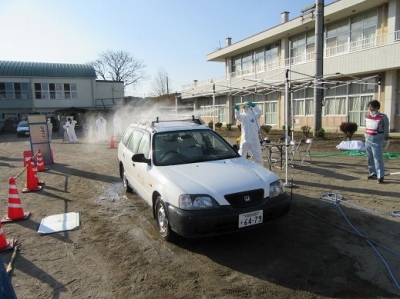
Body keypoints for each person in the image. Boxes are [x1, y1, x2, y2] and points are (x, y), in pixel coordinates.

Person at [364, 99, 389, 183]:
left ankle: (380, 176)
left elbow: (386, 129)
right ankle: (373, 174)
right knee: (369, 158)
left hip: (377, 139)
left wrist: (383, 138)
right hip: (368, 139)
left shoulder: (383, 117)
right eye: (369, 107)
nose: (371, 109)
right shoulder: (367, 116)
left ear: (377, 108)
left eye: (372, 107)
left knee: (378, 158)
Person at [234, 101, 263, 166]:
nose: (244, 107)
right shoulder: (242, 115)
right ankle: (240, 170)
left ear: (249, 106)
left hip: (254, 140)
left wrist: (254, 106)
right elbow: (237, 117)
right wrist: (237, 110)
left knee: (258, 157)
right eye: (243, 106)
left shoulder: (254, 115)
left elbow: (260, 112)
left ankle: (260, 170)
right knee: (241, 156)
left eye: (246, 105)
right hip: (245, 139)